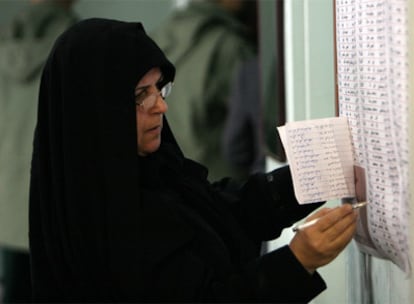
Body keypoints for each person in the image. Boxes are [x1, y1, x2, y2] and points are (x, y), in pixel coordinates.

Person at [29, 18, 358, 302]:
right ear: (95, 113)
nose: (161, 106)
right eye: (140, 96)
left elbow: (225, 213)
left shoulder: (153, 171)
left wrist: (319, 168)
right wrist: (297, 261)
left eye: (159, 88)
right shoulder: (101, 223)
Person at [0, 0, 78, 302]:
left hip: (9, 198)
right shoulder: (78, 43)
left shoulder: (6, 39)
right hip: (57, 201)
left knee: (16, 290)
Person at [150, 0, 258, 181]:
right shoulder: (229, 47)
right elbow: (250, 133)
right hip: (217, 189)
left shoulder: (159, 35)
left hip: (172, 185)